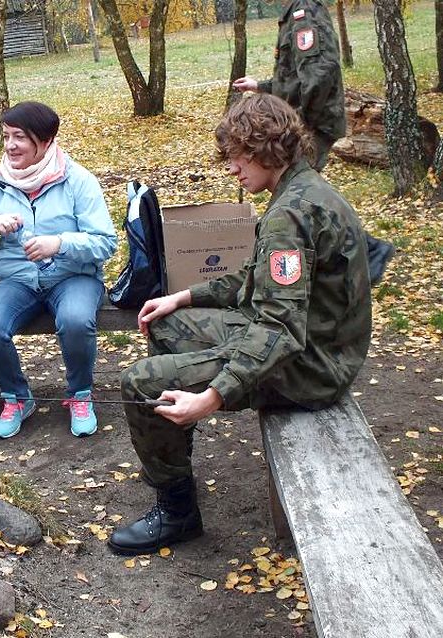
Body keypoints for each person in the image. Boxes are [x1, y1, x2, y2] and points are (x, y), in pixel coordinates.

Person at [108, 94, 371, 556]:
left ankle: (177, 512)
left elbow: (279, 328)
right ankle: (172, 448)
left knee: (140, 382)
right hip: (316, 344)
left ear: (267, 147)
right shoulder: (302, 190)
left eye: (238, 155)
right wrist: (183, 296)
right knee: (168, 325)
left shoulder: (290, 216)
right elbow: (255, 277)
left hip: (311, 367)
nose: (231, 167)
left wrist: (212, 397)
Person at [0, 101, 117, 439]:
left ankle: (80, 394)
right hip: (18, 279)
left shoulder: (77, 180)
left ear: (46, 140)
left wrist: (60, 243)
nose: (10, 145)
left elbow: (105, 242)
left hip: (73, 276)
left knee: (76, 320)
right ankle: (17, 398)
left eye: (19, 137)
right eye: (6, 136)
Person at [232, 0, 394, 284]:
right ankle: (359, 250)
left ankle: (366, 250)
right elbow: (294, 78)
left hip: (311, 122)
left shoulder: (304, 13)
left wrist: (300, 126)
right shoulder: (293, 15)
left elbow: (319, 76)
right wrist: (260, 86)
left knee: (299, 190)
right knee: (303, 189)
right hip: (304, 120)